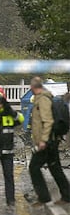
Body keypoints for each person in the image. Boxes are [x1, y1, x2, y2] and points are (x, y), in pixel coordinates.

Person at [28, 77, 70, 206]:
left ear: (33, 88)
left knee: (34, 167)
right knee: (55, 168)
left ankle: (44, 197)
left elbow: (47, 121)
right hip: (50, 140)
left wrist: (43, 140)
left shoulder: (43, 100)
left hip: (47, 141)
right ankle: (67, 196)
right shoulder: (44, 98)